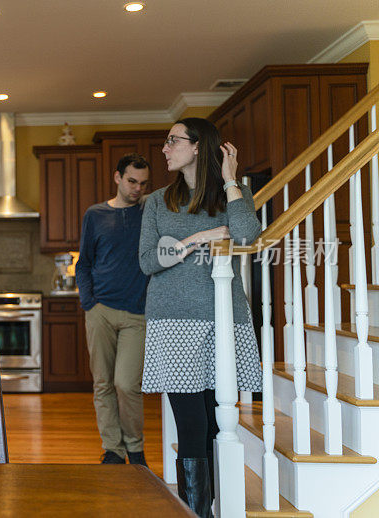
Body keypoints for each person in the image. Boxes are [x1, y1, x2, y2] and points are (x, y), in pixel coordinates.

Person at [139, 118, 262, 517]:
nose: (164, 148)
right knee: (192, 427)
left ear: (197, 147)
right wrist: (198, 240)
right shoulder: (158, 200)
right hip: (174, 323)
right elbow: (147, 262)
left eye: (172, 140)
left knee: (214, 423)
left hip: (225, 321)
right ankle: (196, 513)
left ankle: (212, 506)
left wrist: (231, 179)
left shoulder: (234, 194)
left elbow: (246, 235)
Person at [76, 153, 151, 466]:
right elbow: (84, 262)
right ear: (118, 177)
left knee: (126, 384)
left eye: (143, 184)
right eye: (131, 181)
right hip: (101, 311)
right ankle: (113, 450)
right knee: (103, 384)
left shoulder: (150, 211)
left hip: (138, 313)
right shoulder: (95, 214)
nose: (136, 188)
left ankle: (135, 448)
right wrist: (89, 303)